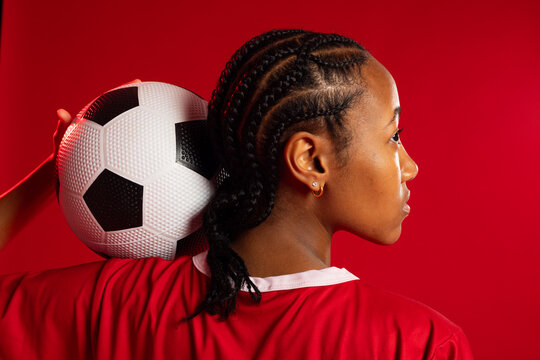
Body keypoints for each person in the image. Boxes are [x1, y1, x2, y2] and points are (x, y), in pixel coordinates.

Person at [0, 29, 474, 359]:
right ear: (310, 160)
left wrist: (60, 167)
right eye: (394, 136)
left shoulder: (117, 304)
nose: (410, 164)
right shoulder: (414, 344)